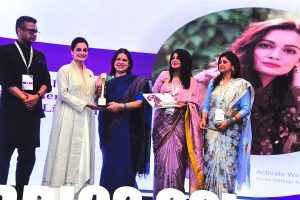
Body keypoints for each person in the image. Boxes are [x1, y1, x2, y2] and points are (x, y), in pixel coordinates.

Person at [196, 19, 300, 155]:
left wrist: (297, 80)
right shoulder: (208, 84)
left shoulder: (283, 91)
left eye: (289, 51)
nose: (275, 56)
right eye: (266, 45)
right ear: (250, 47)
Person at [0, 16, 52, 200]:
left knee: (28, 157)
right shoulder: (4, 51)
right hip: (10, 114)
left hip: (31, 113)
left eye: (36, 31)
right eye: (31, 30)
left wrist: (36, 97)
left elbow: (47, 83)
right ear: (19, 31)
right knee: (4, 155)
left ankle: (21, 194)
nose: (34, 34)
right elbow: (5, 81)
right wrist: (24, 97)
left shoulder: (39, 56)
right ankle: (2, 192)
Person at [42, 37, 98, 199]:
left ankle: (79, 193)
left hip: (85, 119)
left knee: (83, 152)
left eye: (85, 50)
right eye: (78, 49)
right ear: (71, 51)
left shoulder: (90, 73)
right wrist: (86, 104)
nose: (82, 53)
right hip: (68, 116)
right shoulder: (64, 70)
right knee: (64, 151)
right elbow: (63, 94)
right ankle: (59, 193)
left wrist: (99, 87)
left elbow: (91, 95)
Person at [152, 49, 205, 199]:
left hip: (180, 126)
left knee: (176, 164)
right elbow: (153, 95)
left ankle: (175, 195)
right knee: (162, 162)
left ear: (185, 61)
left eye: (178, 58)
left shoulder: (193, 82)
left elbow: (197, 105)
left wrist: (185, 105)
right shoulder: (163, 76)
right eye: (173, 58)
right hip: (162, 126)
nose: (174, 60)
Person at [97, 48, 151, 196]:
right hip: (108, 130)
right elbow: (98, 102)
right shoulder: (105, 80)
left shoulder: (137, 82)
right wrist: (97, 87)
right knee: (109, 165)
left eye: (124, 60)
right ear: (113, 62)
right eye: (118, 59)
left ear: (129, 63)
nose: (120, 62)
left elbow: (141, 103)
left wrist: (122, 106)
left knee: (125, 165)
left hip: (128, 130)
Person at [200, 51, 254, 199]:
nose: (221, 64)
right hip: (211, 132)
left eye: (225, 62)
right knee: (210, 166)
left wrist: (228, 122)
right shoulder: (214, 83)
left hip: (229, 133)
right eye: (220, 62)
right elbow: (206, 105)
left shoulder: (241, 85)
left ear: (233, 66)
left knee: (226, 168)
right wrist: (203, 119)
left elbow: (246, 108)